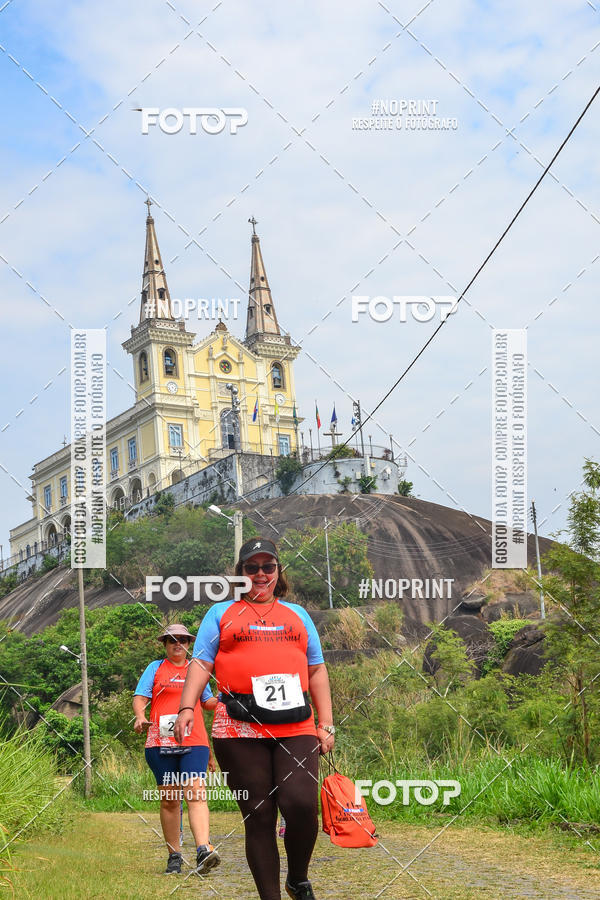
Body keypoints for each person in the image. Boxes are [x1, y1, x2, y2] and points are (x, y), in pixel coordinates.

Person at [174, 537, 335, 900]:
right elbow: (200, 663)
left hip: (295, 724)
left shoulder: (298, 614)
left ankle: (297, 877)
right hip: (238, 726)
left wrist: (326, 723)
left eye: (268, 567)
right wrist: (188, 707)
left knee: (301, 804)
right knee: (259, 814)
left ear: (279, 572)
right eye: (252, 568)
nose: (260, 574)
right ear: (241, 574)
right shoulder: (220, 614)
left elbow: (317, 669)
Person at [133, 623, 221, 876]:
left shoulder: (197, 668)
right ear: (165, 644)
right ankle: (174, 856)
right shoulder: (155, 668)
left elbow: (207, 702)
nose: (177, 644)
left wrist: (227, 694)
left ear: (189, 643)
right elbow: (140, 697)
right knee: (170, 800)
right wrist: (140, 715)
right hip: (161, 740)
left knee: (195, 792)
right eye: (172, 640)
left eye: (182, 639)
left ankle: (203, 849)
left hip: (194, 740)